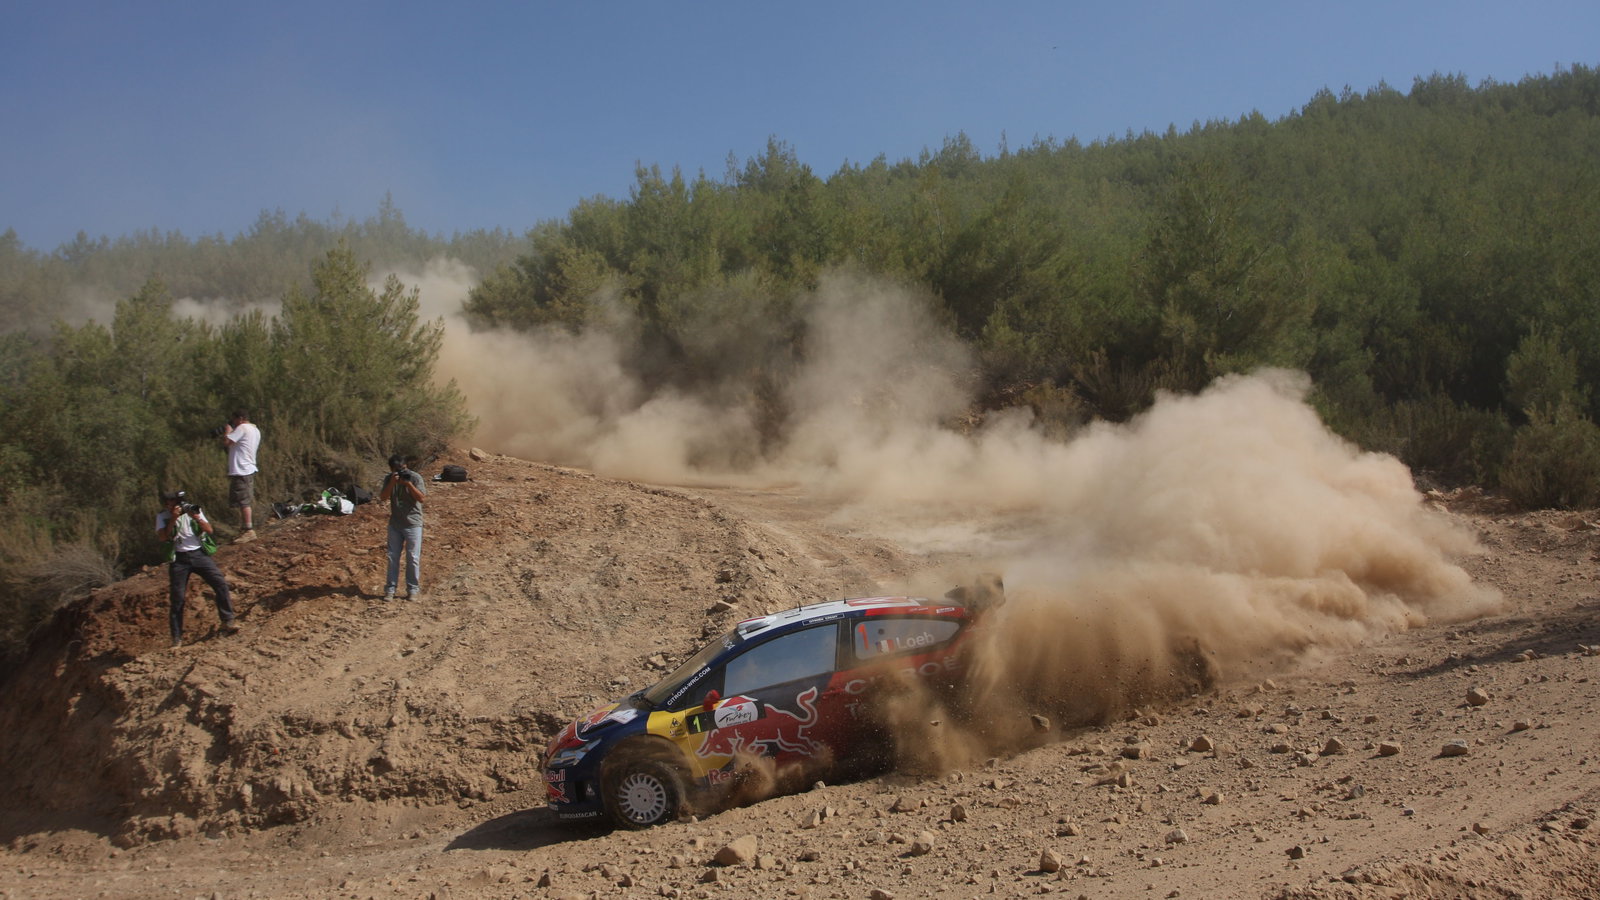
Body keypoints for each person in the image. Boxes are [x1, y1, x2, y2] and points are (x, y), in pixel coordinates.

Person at [157, 490, 239, 648]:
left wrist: (196, 517)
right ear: (167, 503)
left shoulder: (193, 510)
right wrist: (174, 518)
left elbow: (209, 530)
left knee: (220, 583)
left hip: (198, 554)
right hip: (179, 559)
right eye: (173, 502)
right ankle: (177, 638)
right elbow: (163, 537)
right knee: (178, 598)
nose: (178, 505)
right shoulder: (162, 517)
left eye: (179, 501)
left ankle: (228, 621)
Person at [379, 454, 426, 601]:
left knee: (412, 557)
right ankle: (390, 590)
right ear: (392, 470)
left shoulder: (415, 477)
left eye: (404, 469)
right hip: (395, 524)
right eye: (398, 470)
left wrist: (408, 484)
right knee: (393, 557)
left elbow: (422, 498)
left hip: (413, 523)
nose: (402, 472)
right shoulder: (389, 479)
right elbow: (383, 497)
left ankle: (412, 589)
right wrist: (392, 483)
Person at [221, 409, 261, 543]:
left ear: (240, 418)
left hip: (242, 469)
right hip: (245, 468)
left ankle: (249, 530)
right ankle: (244, 528)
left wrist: (227, 430)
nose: (233, 423)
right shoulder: (254, 429)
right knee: (241, 500)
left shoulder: (243, 428)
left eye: (234, 420)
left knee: (243, 501)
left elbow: (227, 442)